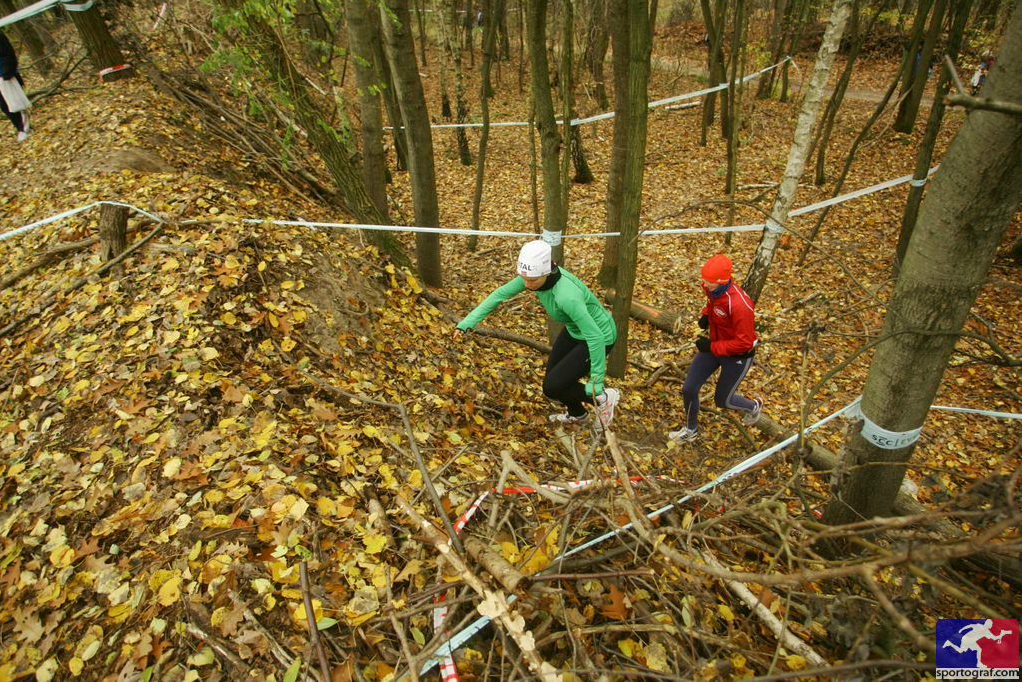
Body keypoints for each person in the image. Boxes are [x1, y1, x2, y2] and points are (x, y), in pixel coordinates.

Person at [454, 240, 621, 428]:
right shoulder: (533, 278)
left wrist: (596, 381)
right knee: (553, 385)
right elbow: (499, 295)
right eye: (524, 278)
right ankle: (578, 414)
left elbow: (595, 336)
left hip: (599, 336)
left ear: (546, 272)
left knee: (553, 386)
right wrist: (466, 323)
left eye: (532, 280)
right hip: (574, 331)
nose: (527, 284)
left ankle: (604, 398)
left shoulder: (567, 296)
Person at [669, 254, 762, 442]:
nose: (705, 284)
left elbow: (744, 342)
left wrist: (711, 346)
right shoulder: (713, 288)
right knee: (689, 389)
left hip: (738, 356)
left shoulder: (740, 305)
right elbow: (712, 303)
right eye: (704, 280)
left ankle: (753, 406)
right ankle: (691, 430)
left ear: (723, 281)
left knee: (723, 400)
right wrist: (706, 316)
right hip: (716, 346)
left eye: (709, 282)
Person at [0, 28, 30, 141]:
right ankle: (19, 128)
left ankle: (25, 129)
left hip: (5, 75)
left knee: (15, 102)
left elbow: (8, 54)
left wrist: (6, 72)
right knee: (4, 106)